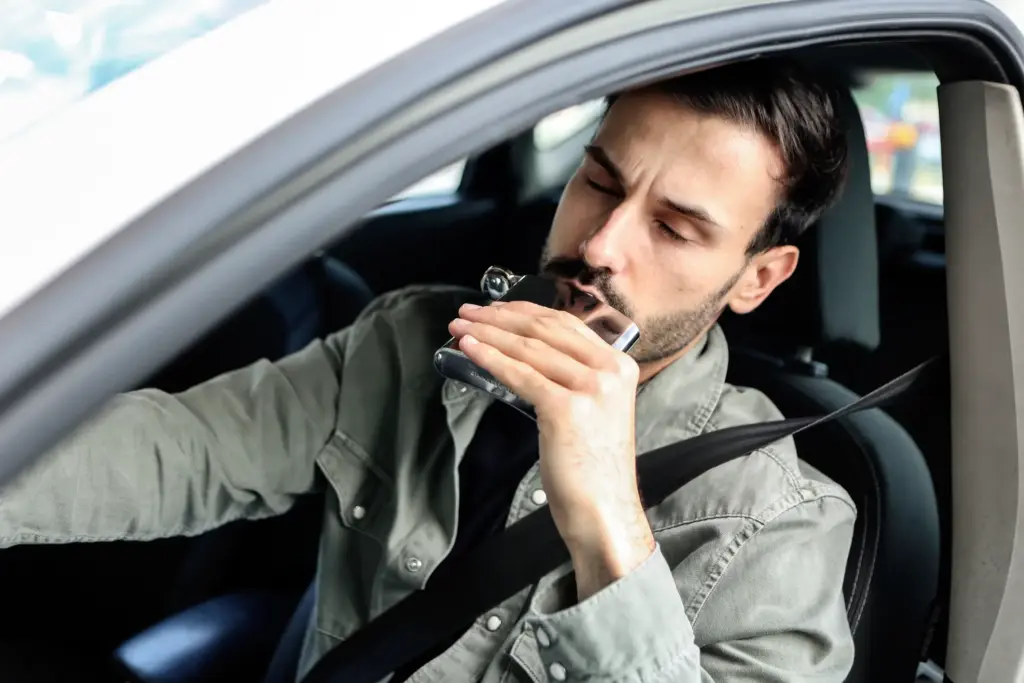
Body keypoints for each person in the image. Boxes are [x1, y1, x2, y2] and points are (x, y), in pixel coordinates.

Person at [0, 57, 853, 683]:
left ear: (757, 276)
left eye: (673, 229)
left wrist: (609, 524)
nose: (599, 245)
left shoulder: (778, 522)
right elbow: (170, 451)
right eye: (598, 181)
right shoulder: (412, 340)